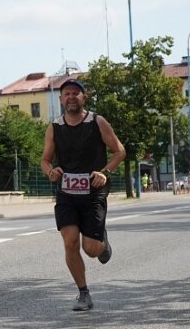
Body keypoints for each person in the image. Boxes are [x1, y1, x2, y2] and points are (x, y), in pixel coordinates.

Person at [40, 79, 126, 311]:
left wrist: (105, 172)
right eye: (66, 93)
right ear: (60, 99)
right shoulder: (54, 128)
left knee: (90, 249)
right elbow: (45, 159)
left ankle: (102, 242)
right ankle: (83, 293)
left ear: (83, 97)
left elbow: (120, 151)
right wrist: (50, 171)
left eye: (76, 93)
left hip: (93, 193)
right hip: (66, 193)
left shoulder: (97, 122)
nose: (71, 97)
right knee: (69, 242)